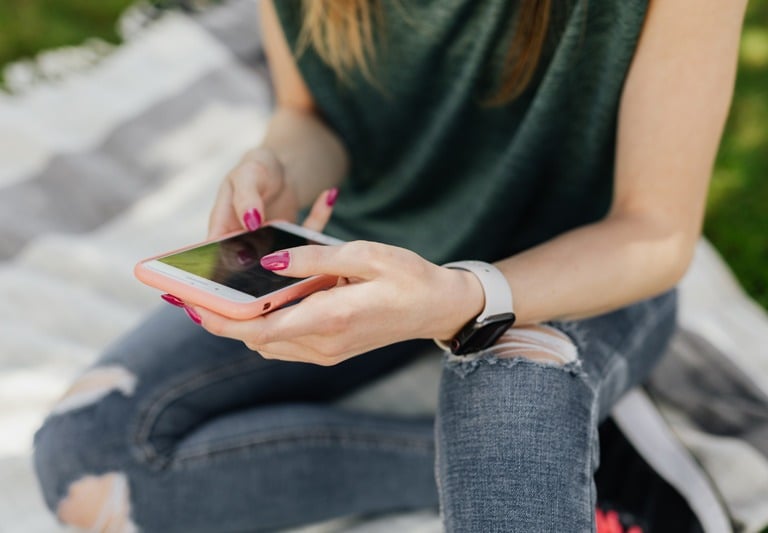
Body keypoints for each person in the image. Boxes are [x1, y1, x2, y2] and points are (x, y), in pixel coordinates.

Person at [33, 0, 747, 531]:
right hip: (373, 245)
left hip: (577, 268)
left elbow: (653, 231)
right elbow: (311, 113)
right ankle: (589, 470)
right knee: (88, 460)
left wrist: (456, 298)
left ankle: (552, 464)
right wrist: (280, 163)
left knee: (509, 410)